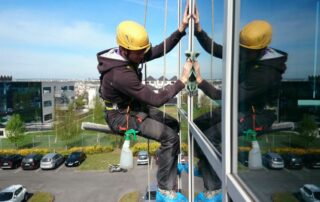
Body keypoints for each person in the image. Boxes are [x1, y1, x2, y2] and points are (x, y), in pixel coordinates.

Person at [190, 7, 288, 202]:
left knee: (211, 137)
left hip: (257, 114)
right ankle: (207, 167)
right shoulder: (249, 52)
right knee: (198, 124)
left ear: (261, 50)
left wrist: (200, 81)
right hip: (240, 107)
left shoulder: (266, 74)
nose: (240, 53)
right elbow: (215, 49)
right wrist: (198, 29)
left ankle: (214, 190)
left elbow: (222, 96)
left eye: (245, 51)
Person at [96, 7, 191, 202]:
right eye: (139, 53)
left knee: (173, 125)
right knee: (170, 138)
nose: (143, 56)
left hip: (133, 107)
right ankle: (165, 189)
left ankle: (165, 160)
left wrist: (180, 30)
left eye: (142, 52)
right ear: (124, 50)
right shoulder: (119, 74)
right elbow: (156, 99)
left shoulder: (130, 54)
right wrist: (181, 81)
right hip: (120, 116)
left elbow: (158, 50)